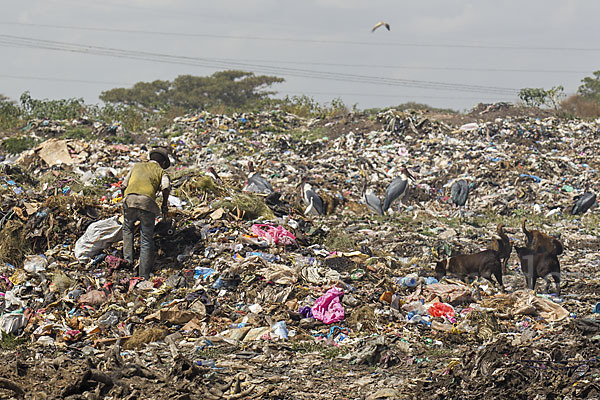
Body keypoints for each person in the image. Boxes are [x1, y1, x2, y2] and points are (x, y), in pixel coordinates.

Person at [120, 147, 171, 278]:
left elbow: (123, 186)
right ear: (164, 163)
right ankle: (143, 275)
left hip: (129, 199)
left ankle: (127, 265)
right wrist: (164, 204)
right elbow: (166, 187)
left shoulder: (136, 166)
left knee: (127, 230)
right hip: (147, 203)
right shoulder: (161, 171)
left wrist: (124, 201)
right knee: (146, 238)